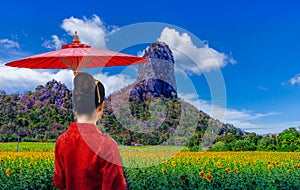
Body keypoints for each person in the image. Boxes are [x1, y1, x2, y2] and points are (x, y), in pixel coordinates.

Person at [53, 72, 126, 190]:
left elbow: (59, 182)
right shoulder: (107, 146)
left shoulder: (62, 141)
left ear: (75, 106)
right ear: (101, 107)